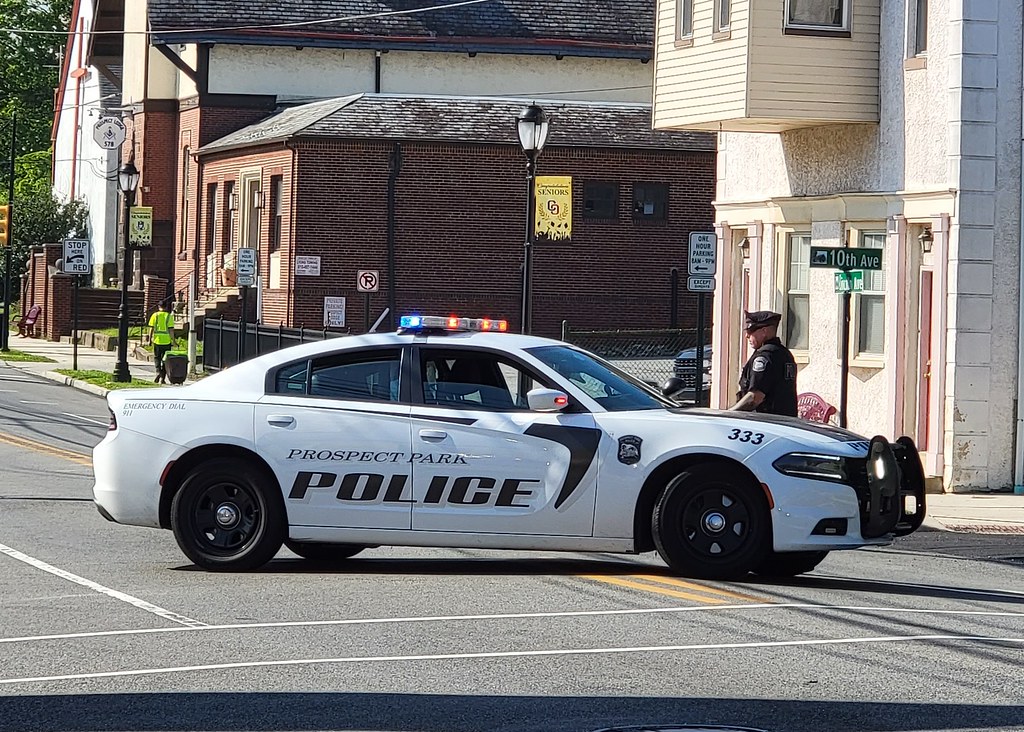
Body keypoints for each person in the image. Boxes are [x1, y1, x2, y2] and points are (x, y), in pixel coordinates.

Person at [730, 310, 798, 416]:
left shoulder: (764, 356)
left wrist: (729, 414)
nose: (747, 336)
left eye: (750, 331)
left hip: (766, 423)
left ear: (764, 331)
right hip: (784, 422)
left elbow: (754, 398)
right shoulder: (784, 353)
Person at [148, 299, 175, 384]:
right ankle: (162, 378)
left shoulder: (154, 315)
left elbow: (151, 329)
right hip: (166, 341)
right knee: (165, 360)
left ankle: (157, 372)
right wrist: (173, 340)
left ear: (158, 307)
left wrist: (149, 339)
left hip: (157, 340)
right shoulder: (169, 316)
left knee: (157, 358)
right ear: (166, 307)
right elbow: (171, 330)